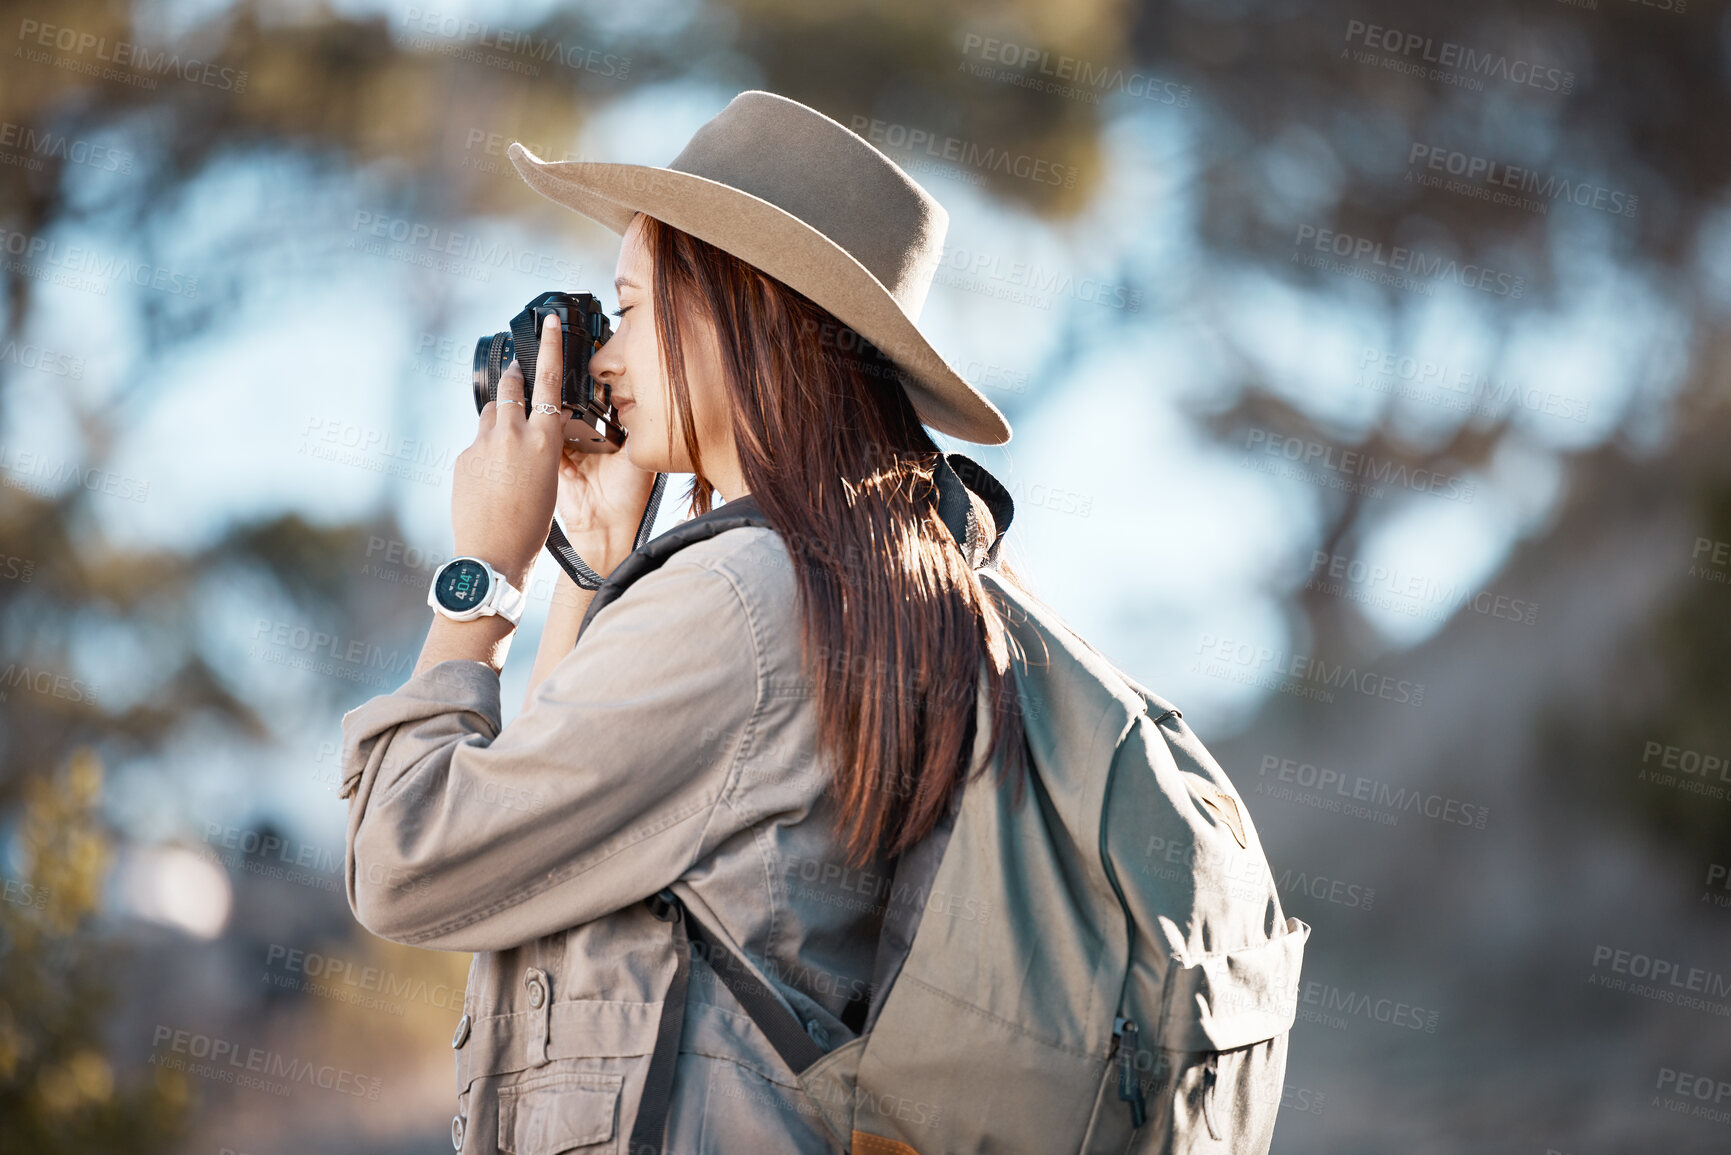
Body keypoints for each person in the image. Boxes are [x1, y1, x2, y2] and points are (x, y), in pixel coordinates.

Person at [339, 90, 1029, 1154]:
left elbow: (410, 860)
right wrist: (600, 567)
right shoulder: (886, 576)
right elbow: (552, 838)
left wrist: (483, 571)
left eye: (627, 309)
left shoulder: (745, 598)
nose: (602, 359)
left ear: (738, 310)